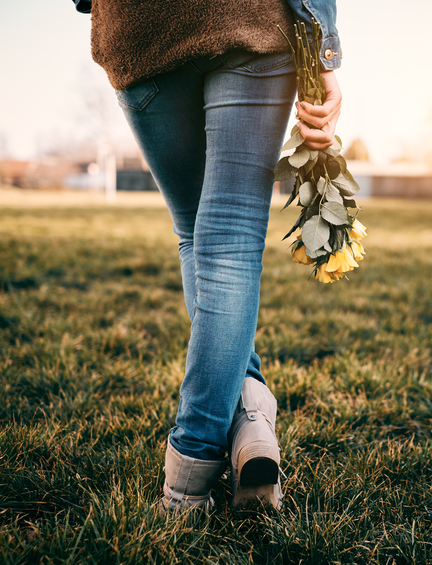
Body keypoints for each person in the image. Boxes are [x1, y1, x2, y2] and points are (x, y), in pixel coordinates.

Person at [72, 0, 343, 510]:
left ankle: (194, 479)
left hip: (143, 29)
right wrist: (323, 49)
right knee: (230, 242)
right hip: (250, 21)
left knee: (197, 233)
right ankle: (243, 427)